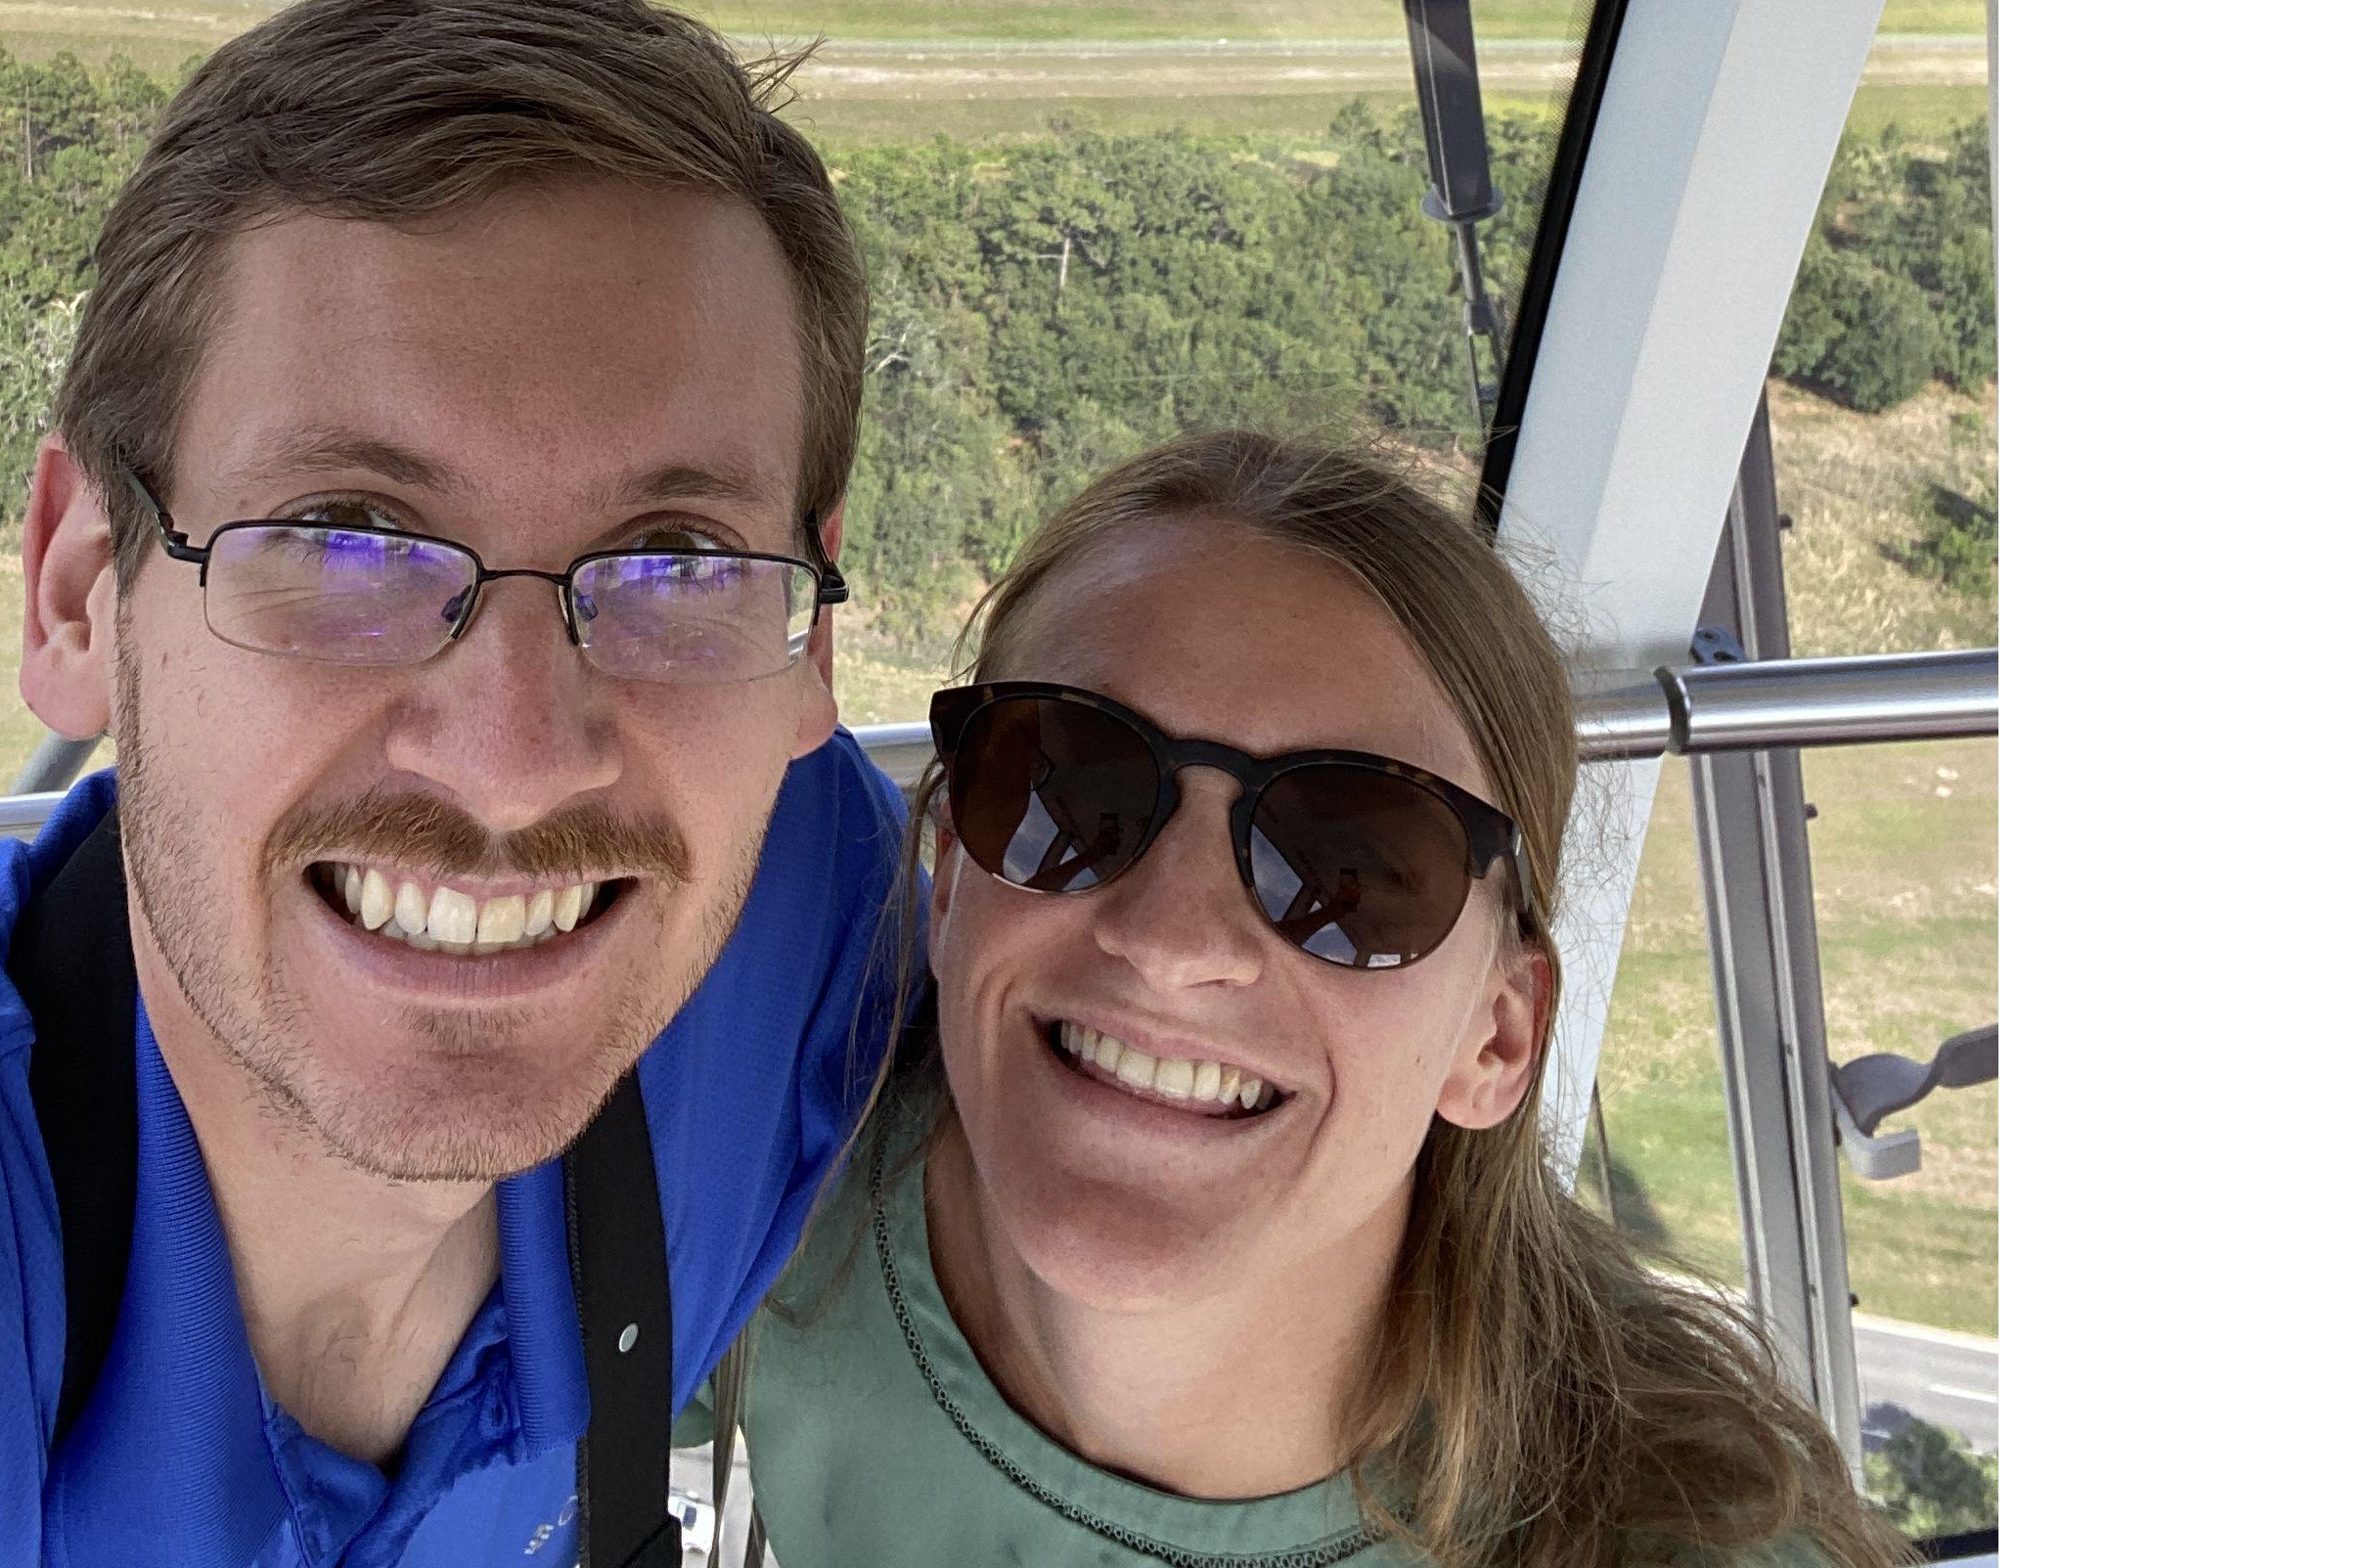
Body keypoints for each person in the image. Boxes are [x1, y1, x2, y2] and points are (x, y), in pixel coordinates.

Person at [0, 0, 909, 1567]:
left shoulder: (811, 914)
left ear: (809, 644)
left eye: (676, 559)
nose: (512, 766)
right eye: (347, 536)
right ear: (78, 591)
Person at [726, 430, 1897, 1568]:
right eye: (1067, 794)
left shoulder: (1672, 1537)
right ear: (947, 878)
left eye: (1347, 870)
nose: (1170, 941)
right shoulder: (762, 1167)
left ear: (1495, 1038)